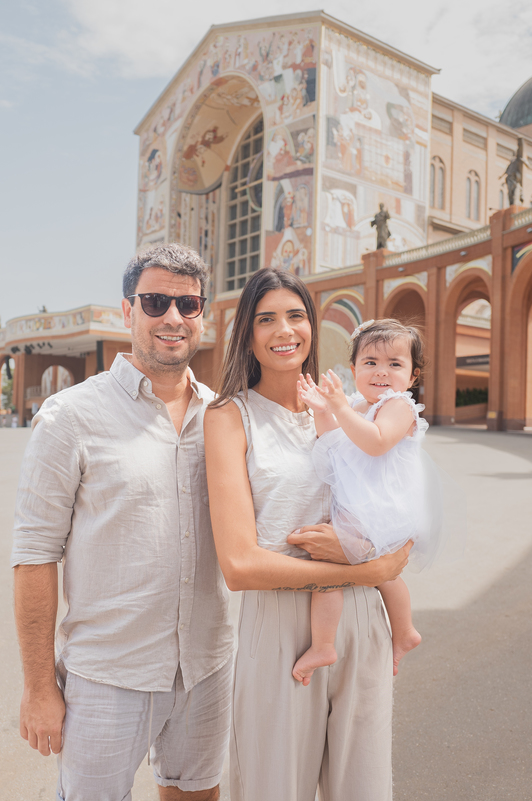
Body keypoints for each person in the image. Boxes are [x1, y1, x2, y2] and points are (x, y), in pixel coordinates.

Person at [12, 244, 233, 801]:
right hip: (109, 676)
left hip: (206, 667)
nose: (173, 317)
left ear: (202, 314)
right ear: (127, 311)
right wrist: (38, 686)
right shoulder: (71, 417)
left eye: (188, 304)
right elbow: (34, 555)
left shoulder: (223, 416)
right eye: (155, 302)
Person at [204, 267, 411, 801]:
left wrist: (381, 561)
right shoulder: (230, 415)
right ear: (247, 333)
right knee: (273, 789)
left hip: (362, 619)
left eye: (296, 315)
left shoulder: (354, 405)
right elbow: (239, 566)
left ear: (313, 326)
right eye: (266, 319)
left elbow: (400, 498)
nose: (284, 330)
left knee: (363, 788)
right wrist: (367, 568)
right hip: (278, 623)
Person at [291, 319, 444, 685]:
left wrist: (340, 409)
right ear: (353, 369)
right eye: (371, 362)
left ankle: (323, 645)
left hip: (381, 507)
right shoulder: (358, 404)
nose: (381, 372)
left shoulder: (399, 406)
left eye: (395, 364)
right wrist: (323, 410)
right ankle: (405, 632)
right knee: (381, 573)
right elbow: (334, 443)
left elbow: (376, 442)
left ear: (413, 375)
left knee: (329, 563)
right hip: (361, 504)